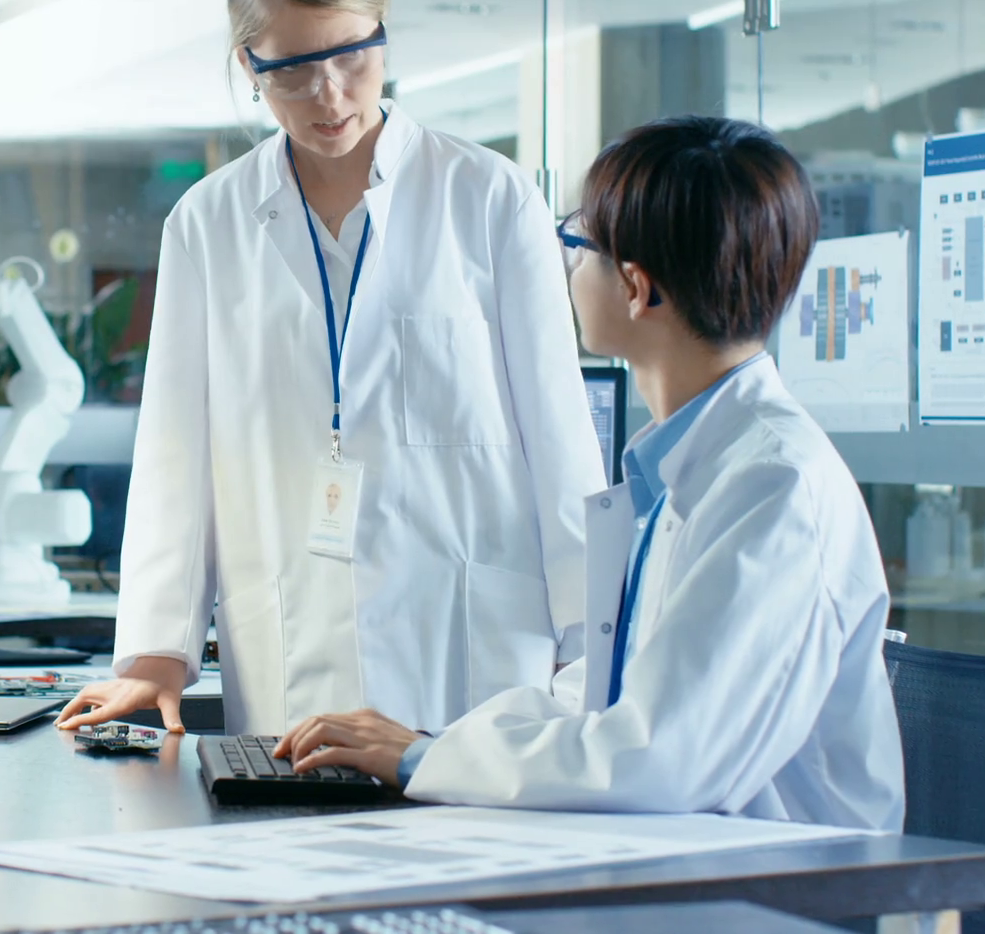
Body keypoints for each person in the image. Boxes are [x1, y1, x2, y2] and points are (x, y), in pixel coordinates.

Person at [55, 0, 604, 737]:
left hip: (476, 660)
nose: (331, 94)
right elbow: (176, 455)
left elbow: (561, 442)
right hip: (296, 654)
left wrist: (589, 647)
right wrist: (155, 654)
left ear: (383, 29)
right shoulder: (207, 224)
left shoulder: (490, 198)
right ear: (250, 63)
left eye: (352, 55)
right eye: (294, 70)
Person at [274, 116, 906, 832]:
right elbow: (603, 699)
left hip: (774, 874)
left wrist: (422, 758)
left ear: (637, 288)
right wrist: (428, 746)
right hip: (679, 850)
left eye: (579, 246)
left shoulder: (776, 487)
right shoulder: (693, 467)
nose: (568, 267)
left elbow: (659, 757)